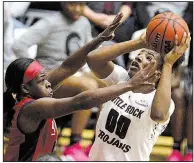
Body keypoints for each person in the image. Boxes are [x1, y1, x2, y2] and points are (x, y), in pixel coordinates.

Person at [3, 13, 125, 161]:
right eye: (42, 80)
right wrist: (128, 85)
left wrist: (98, 39)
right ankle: (75, 143)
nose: (48, 83)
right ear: (25, 89)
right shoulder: (32, 108)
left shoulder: (36, 91)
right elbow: (80, 102)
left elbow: (68, 66)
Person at [11, 2, 99, 160]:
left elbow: (89, 49)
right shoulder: (50, 22)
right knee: (89, 86)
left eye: (81, 5)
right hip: (52, 75)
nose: (77, 9)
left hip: (75, 74)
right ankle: (74, 145)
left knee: (108, 84)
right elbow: (19, 45)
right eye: (73, 4)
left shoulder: (84, 22)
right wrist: (35, 74)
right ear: (63, 3)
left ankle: (97, 143)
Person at [86, 28, 191, 160]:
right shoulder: (120, 79)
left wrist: (168, 64)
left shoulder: (162, 102)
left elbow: (158, 114)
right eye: (139, 54)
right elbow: (92, 59)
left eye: (148, 58)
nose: (139, 57)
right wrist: (137, 43)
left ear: (158, 74)